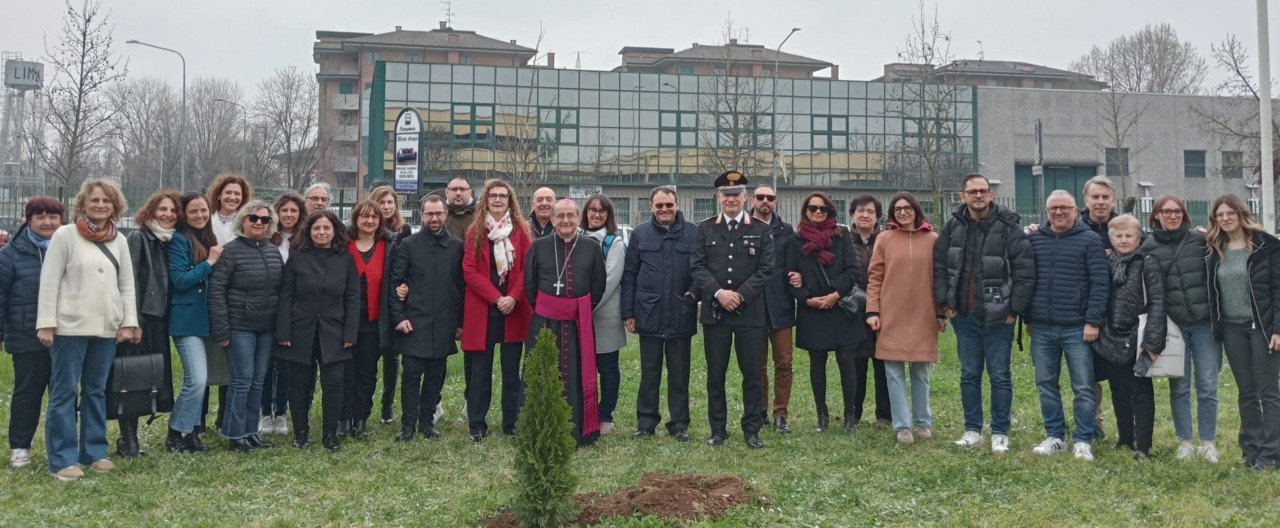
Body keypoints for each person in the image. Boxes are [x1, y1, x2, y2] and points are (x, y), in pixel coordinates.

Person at [36, 179, 140, 481]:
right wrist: (46, 322)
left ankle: (94, 451)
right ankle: (62, 458)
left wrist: (128, 321)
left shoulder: (118, 239)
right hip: (69, 326)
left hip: (106, 327)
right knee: (64, 392)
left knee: (95, 391)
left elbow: (127, 284)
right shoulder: (65, 235)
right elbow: (50, 280)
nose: (101, 205)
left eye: (107, 201)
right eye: (95, 200)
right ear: (83, 203)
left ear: (115, 206)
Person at [933, 174, 1035, 453]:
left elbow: (1025, 271)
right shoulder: (953, 226)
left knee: (1000, 375)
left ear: (991, 195)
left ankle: (1000, 432)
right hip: (964, 314)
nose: (978, 196)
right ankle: (972, 430)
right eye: (972, 191)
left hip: (999, 316)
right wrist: (944, 302)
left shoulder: (1008, 227)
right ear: (962, 196)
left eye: (983, 191)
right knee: (969, 374)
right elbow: (940, 265)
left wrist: (1015, 309)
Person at [691, 170, 774, 449]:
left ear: (745, 197)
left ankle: (752, 429)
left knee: (752, 374)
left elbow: (766, 270)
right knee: (716, 375)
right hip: (716, 313)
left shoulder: (761, 230)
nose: (730, 199)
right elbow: (698, 267)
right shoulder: (705, 228)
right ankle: (718, 429)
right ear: (718, 197)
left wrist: (739, 295)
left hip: (749, 314)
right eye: (725, 195)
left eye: (735, 194)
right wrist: (718, 293)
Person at [1026, 190, 1108, 461]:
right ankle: (1055, 436)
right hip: (1042, 327)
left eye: (1064, 208)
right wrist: (1028, 318)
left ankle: (1084, 439)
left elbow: (1099, 282)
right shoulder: (1035, 240)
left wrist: (1093, 320)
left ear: (1075, 210)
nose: (1058, 213)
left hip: (1077, 327)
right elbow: (1027, 279)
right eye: (1053, 209)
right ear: (1046, 211)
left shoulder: (1089, 240)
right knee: (1046, 384)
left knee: (1083, 386)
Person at [1143, 194, 1222, 462]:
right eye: (1167, 212)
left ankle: (1208, 441)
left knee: (1208, 384)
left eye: (1177, 212)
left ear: (1184, 215)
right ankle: (1185, 441)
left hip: (1203, 324)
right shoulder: (1148, 246)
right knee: (1180, 385)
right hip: (1174, 327)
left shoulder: (1201, 241)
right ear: (1156, 216)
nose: (1173, 216)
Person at [1206, 194, 1280, 470]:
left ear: (1241, 214)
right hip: (1232, 329)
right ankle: (1250, 451)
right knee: (1246, 392)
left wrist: (1278, 329)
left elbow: (1277, 288)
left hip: (1262, 328)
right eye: (1219, 215)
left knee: (1268, 391)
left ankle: (1271, 453)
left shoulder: (1266, 246)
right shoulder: (1215, 248)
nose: (1225, 219)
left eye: (1229, 214)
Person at [526, 199, 607, 446]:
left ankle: (579, 429)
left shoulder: (591, 246)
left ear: (578, 218)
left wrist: (576, 310)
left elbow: (598, 284)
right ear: (552, 220)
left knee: (576, 374)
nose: (565, 221)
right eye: (559, 216)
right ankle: (539, 427)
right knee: (542, 372)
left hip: (577, 324)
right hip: (544, 323)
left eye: (570, 216)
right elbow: (529, 285)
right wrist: (549, 309)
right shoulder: (538, 246)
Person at [277, 210, 359, 452]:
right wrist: (284, 332)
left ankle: (330, 435)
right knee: (299, 384)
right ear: (308, 231)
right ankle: (301, 434)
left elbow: (353, 297)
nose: (321, 232)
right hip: (300, 331)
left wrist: (350, 333)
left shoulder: (345, 259)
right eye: (316, 228)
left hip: (334, 332)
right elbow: (286, 296)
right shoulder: (297, 257)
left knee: (333, 384)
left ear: (335, 231)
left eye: (326, 228)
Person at [866, 192, 943, 445]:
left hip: (924, 314)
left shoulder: (933, 239)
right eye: (898, 209)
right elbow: (875, 277)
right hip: (891, 315)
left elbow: (940, 279)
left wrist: (941, 312)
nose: (903, 212)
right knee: (894, 372)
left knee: (921, 372)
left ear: (916, 210)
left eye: (907, 208)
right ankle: (902, 426)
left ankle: (923, 422)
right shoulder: (884, 239)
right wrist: (873, 311)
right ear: (892, 213)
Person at [623, 186, 698, 442]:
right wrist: (628, 313)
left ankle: (679, 424)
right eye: (659, 205)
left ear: (677, 204)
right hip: (649, 312)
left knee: (679, 373)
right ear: (651, 207)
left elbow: (701, 270)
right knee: (649, 372)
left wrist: (694, 293)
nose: (664, 209)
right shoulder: (640, 234)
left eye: (669, 205)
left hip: (680, 312)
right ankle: (646, 422)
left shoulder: (693, 233)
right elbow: (629, 275)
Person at [785, 192, 864, 434]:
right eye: (812, 208)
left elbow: (853, 271)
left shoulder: (841, 236)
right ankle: (822, 415)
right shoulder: (795, 240)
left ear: (831, 212)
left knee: (846, 362)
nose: (818, 212)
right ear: (805, 211)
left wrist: (835, 294)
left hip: (840, 308)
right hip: (813, 310)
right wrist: (807, 300)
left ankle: (850, 415)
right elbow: (789, 277)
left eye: (823, 209)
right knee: (816, 363)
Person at [209, 200, 283, 453]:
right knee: (241, 380)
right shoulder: (230, 251)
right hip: (239, 326)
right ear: (243, 221)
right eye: (253, 218)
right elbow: (217, 291)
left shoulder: (273, 251)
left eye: (264, 219)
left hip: (266, 327)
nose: (259, 223)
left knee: (258, 381)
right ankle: (234, 433)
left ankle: (251, 431)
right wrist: (222, 330)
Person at [462, 179, 532, 442]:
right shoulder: (475, 232)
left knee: (511, 371)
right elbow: (469, 271)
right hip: (484, 310)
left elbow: (527, 269)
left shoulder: (522, 232)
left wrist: (512, 297)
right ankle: (477, 425)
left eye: (503, 196)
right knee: (480, 372)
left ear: (510, 200)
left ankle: (511, 423)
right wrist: (496, 298)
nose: (499, 200)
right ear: (486, 200)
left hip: (513, 310)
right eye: (494, 196)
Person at [112, 189, 181, 458]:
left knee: (151, 378)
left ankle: (132, 437)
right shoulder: (139, 238)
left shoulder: (169, 241)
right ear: (150, 211)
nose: (168, 215)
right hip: (140, 320)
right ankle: (128, 439)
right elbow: (129, 283)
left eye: (174, 211)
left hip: (160, 320)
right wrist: (131, 321)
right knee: (132, 378)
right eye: (163, 209)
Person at [390, 195, 464, 441]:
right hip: (414, 322)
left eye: (438, 213)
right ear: (421, 215)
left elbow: (460, 287)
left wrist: (460, 323)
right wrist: (399, 317)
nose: (434, 218)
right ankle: (408, 424)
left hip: (443, 323)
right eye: (429, 214)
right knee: (411, 376)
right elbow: (396, 283)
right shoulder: (409, 245)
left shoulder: (456, 246)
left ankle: (427, 421)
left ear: (445, 214)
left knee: (435, 376)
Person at [1092, 214, 1165, 460]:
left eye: (1129, 235)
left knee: (1141, 391)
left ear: (1138, 237)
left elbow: (1156, 302)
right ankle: (1125, 437)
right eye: (1118, 236)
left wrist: (1152, 342)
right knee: (1118, 389)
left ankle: (1143, 446)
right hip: (1111, 335)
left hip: (1137, 336)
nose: (1124, 240)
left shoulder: (1147, 262)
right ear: (1111, 239)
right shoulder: (1107, 261)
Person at [2, 196, 64, 469]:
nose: (47, 222)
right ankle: (20, 447)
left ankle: (61, 446)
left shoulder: (70, 248)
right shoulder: (10, 254)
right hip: (27, 334)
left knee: (64, 393)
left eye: (53, 216)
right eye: (40, 216)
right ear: (29, 220)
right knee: (28, 392)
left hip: (67, 334)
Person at [166, 191, 221, 454]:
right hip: (186, 320)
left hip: (207, 320)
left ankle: (189, 434)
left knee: (202, 379)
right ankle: (176, 432)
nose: (200, 215)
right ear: (184, 216)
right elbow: (180, 280)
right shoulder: (179, 240)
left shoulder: (207, 238)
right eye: (194, 212)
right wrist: (210, 262)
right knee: (196, 379)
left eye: (203, 210)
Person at [344, 200, 398, 439]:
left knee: (367, 371)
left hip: (374, 321)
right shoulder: (342, 243)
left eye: (374, 217)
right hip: (345, 320)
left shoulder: (390, 244)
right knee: (345, 370)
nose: (369, 221)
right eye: (364, 217)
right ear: (356, 219)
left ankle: (361, 418)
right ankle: (343, 418)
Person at [751, 184, 797, 434]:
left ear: (776, 202)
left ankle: (781, 414)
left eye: (769, 198)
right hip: (754, 306)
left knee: (784, 362)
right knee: (757, 365)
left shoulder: (786, 231)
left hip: (781, 307)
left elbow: (793, 263)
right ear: (752, 200)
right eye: (760, 197)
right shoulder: (745, 226)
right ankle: (760, 411)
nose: (764, 201)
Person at [260, 192, 305, 437]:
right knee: (267, 365)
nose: (289, 215)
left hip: (294, 310)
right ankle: (265, 413)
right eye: (284, 211)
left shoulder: (304, 241)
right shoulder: (267, 239)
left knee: (287, 366)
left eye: (293, 211)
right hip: (268, 307)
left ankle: (282, 413)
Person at [581, 194, 627, 435]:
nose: (596, 214)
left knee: (607, 368)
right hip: (578, 318)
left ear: (609, 215)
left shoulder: (614, 242)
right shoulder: (576, 238)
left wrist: (586, 309)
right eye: (592, 210)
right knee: (581, 367)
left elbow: (610, 281)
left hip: (603, 316)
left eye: (602, 211)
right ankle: (584, 411)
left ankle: (605, 414)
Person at [848, 195, 892, 428]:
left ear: (877, 217)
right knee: (856, 365)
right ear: (852, 214)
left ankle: (884, 415)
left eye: (870, 212)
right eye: (860, 211)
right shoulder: (843, 241)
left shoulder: (886, 240)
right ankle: (853, 413)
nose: (865, 215)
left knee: (883, 364)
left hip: (883, 311)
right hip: (852, 311)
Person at [369, 185, 410, 424]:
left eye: (390, 202)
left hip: (393, 301)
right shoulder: (367, 229)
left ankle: (387, 405)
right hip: (371, 298)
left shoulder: (404, 232)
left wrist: (406, 285)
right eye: (381, 202)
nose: (386, 207)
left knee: (392, 358)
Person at [207, 173, 252, 246]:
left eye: (237, 194)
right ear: (219, 195)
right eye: (228, 192)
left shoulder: (249, 222)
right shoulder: (207, 220)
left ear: (243, 198)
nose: (232, 197)